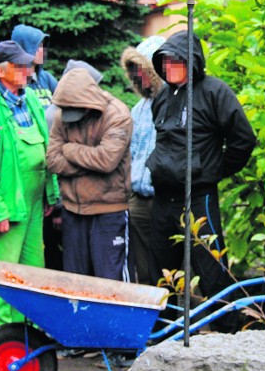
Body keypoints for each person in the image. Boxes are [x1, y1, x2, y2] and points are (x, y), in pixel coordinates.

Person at [146, 30, 256, 332]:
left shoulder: (214, 92)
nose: (168, 68)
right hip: (162, 200)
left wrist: (213, 171)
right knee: (164, 271)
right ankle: (166, 334)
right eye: (164, 62)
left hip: (198, 198)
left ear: (191, 62)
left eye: (175, 61)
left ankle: (228, 332)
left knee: (211, 268)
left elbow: (243, 139)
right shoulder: (163, 97)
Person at [0, 40, 59, 333]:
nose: (27, 71)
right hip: (7, 203)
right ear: (1, 70)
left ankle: (25, 334)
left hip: (33, 201)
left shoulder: (29, 98)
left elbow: (46, 143)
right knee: (2, 274)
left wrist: (49, 192)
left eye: (27, 65)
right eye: (20, 66)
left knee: (31, 270)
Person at [46, 67, 132, 281]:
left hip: (108, 210)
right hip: (72, 209)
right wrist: (88, 159)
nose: (68, 116)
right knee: (75, 280)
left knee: (109, 278)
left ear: (88, 103)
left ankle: (112, 316)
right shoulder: (61, 116)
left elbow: (106, 160)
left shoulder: (117, 115)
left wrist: (70, 149)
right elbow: (53, 160)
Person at [11, 23, 61, 268]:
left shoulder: (46, 79)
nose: (43, 50)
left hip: (49, 165)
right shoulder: (17, 82)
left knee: (50, 238)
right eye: (38, 45)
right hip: (24, 171)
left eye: (43, 45)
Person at [121, 35, 165, 284]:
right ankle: (154, 320)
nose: (140, 77)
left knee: (169, 265)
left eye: (143, 70)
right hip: (137, 199)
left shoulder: (173, 103)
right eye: (135, 72)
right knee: (144, 268)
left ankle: (180, 318)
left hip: (162, 198)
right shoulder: (137, 109)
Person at [11, 24, 58, 108]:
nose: (42, 51)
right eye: (37, 47)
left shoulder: (46, 78)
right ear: (24, 48)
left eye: (43, 47)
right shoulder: (13, 81)